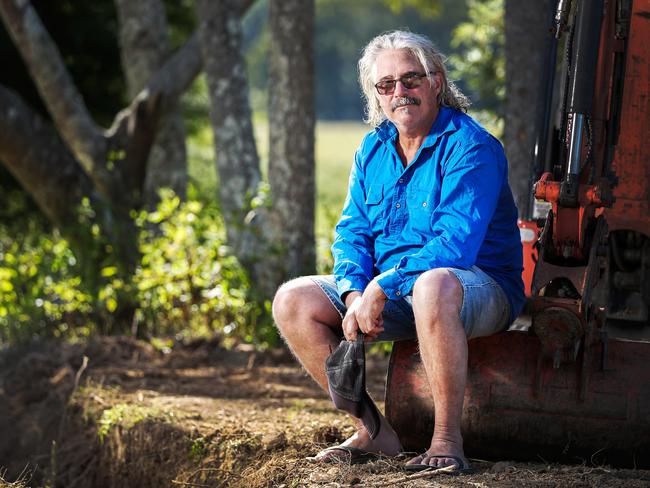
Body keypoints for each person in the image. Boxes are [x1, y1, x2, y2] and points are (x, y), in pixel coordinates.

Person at [272, 30, 525, 472]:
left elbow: (455, 245)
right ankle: (375, 432)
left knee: (432, 284)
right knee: (293, 300)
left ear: (437, 82)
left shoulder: (472, 147)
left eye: (411, 80)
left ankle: (446, 440)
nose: (399, 93)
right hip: (392, 292)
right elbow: (352, 232)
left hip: (476, 287)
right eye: (386, 85)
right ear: (376, 95)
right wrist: (353, 293)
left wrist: (384, 285)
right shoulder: (372, 150)